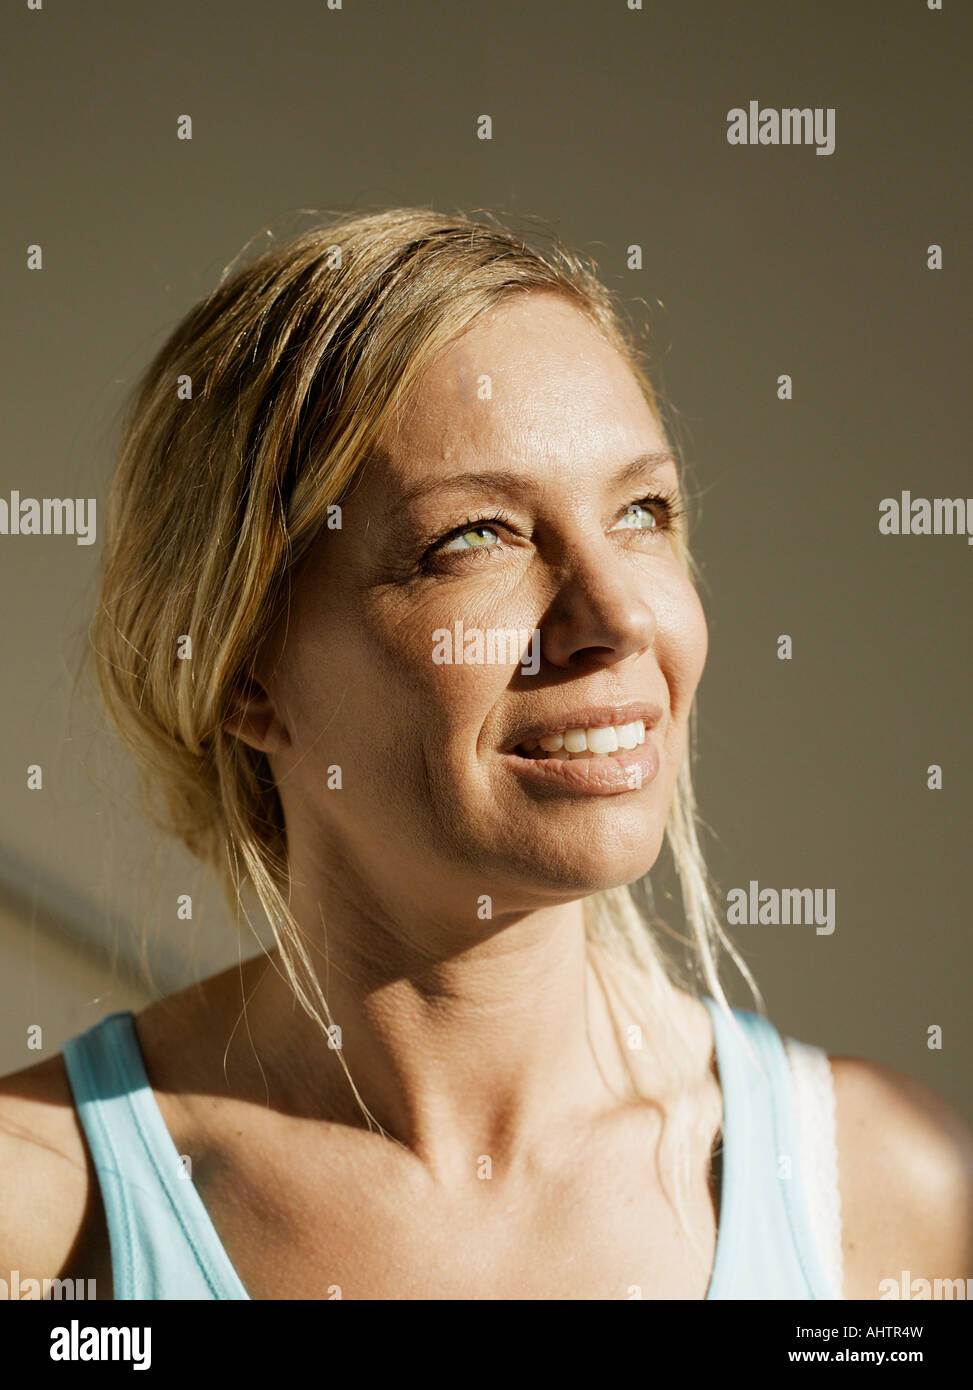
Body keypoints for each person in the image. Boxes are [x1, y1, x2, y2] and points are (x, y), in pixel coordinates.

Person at [1, 209, 970, 1300]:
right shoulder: (37, 1228)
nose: (616, 614)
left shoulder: (879, 1196)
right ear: (246, 672)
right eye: (475, 537)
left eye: (642, 511)